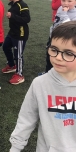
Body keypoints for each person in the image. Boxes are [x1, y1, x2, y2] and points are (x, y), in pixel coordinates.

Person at [9, 20, 76, 152]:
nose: (58, 57)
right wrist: (15, 148)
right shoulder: (40, 84)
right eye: (54, 49)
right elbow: (26, 119)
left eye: (68, 53)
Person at [39, 0, 76, 75]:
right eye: (63, 0)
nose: (66, 3)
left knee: (59, 59)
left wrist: (64, 13)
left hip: (64, 41)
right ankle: (47, 73)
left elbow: (68, 27)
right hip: (53, 37)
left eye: (69, 1)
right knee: (49, 56)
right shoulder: (60, 8)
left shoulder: (74, 14)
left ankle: (56, 75)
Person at [1, 0, 31, 85]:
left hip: (20, 34)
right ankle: (12, 65)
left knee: (18, 55)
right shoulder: (13, 4)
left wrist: (12, 16)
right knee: (5, 47)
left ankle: (20, 74)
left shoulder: (22, 5)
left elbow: (27, 19)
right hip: (12, 32)